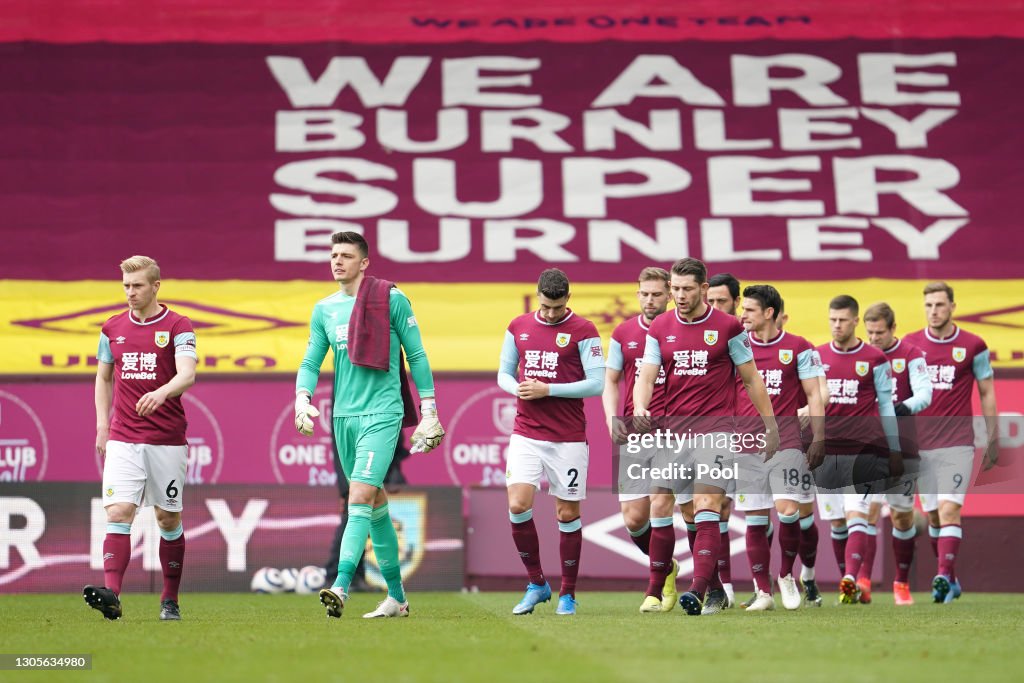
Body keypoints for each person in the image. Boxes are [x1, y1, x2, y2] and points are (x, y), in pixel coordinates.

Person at [297, 231, 444, 619]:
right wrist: (302, 399)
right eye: (333, 255)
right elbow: (311, 361)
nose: (337, 261)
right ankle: (396, 597)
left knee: (358, 497)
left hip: (382, 413)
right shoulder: (324, 309)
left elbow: (417, 355)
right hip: (343, 417)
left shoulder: (391, 299)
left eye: (346, 255)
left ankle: (341, 585)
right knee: (375, 503)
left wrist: (429, 411)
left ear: (364, 263)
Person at [634, 258, 779, 616]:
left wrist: (771, 425)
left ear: (703, 289)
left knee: (707, 506)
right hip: (672, 433)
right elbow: (647, 375)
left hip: (716, 432)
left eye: (686, 289)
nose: (679, 295)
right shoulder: (660, 327)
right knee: (673, 509)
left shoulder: (728, 327)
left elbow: (751, 378)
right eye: (675, 288)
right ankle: (699, 589)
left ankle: (696, 590)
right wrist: (640, 405)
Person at [84, 255, 197, 622]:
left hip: (166, 438)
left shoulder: (178, 325)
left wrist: (162, 392)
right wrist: (103, 425)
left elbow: (188, 375)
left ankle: (169, 599)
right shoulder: (111, 328)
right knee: (118, 512)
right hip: (123, 437)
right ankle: (112, 595)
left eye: (137, 286)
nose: (130, 293)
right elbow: (103, 378)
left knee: (167, 518)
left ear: (155, 286)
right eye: (126, 286)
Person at [498, 268, 605, 616]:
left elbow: (597, 384)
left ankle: (568, 594)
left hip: (568, 437)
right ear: (538, 296)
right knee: (517, 504)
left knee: (567, 512)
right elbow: (503, 373)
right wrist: (520, 389)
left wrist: (549, 390)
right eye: (545, 306)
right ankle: (536, 583)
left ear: (568, 299)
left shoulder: (584, 331)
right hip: (526, 431)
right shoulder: (518, 326)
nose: (550, 313)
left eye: (557, 308)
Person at [905, 282, 998, 604]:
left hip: (957, 444)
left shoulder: (973, 345)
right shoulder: (910, 345)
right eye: (929, 305)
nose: (934, 311)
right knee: (932, 516)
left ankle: (942, 576)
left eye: (940, 305)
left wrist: (993, 438)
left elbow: (986, 392)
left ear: (953, 306)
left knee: (949, 511)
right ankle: (951, 578)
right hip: (920, 447)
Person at [735, 285, 826, 611]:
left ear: (769, 313)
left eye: (749, 310)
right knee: (755, 518)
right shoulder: (736, 346)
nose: (742, 314)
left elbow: (815, 394)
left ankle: (787, 574)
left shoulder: (799, 347)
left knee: (788, 511)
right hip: (746, 443)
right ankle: (763, 592)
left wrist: (818, 438)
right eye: (742, 309)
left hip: (787, 442)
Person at [815, 295, 902, 605]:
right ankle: (847, 582)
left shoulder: (875, 359)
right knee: (837, 522)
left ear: (855, 322)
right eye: (832, 320)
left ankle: (852, 576)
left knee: (858, 516)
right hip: (826, 454)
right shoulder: (817, 356)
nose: (836, 325)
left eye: (842, 320)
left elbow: (886, 405)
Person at [602, 266, 679, 612]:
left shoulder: (683, 329)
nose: (650, 300)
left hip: (678, 431)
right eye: (644, 294)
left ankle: (708, 585)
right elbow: (611, 380)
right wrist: (611, 418)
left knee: (683, 509)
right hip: (637, 432)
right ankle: (668, 566)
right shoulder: (623, 333)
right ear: (638, 294)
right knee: (634, 518)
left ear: (670, 294)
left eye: (657, 294)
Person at [863, 302, 932, 605]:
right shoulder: (862, 356)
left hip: (903, 447)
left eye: (879, 332)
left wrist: (902, 408)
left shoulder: (911, 356)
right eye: (870, 333)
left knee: (902, 518)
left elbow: (924, 394)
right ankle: (862, 581)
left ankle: (901, 583)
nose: (874, 338)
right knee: (868, 511)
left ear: (893, 328)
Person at [703, 272, 742, 607]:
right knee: (718, 507)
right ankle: (723, 585)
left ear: (736, 303)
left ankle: (768, 581)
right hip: (718, 433)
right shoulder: (701, 334)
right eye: (710, 300)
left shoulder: (739, 333)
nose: (715, 307)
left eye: (722, 302)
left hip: (754, 434)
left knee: (770, 513)